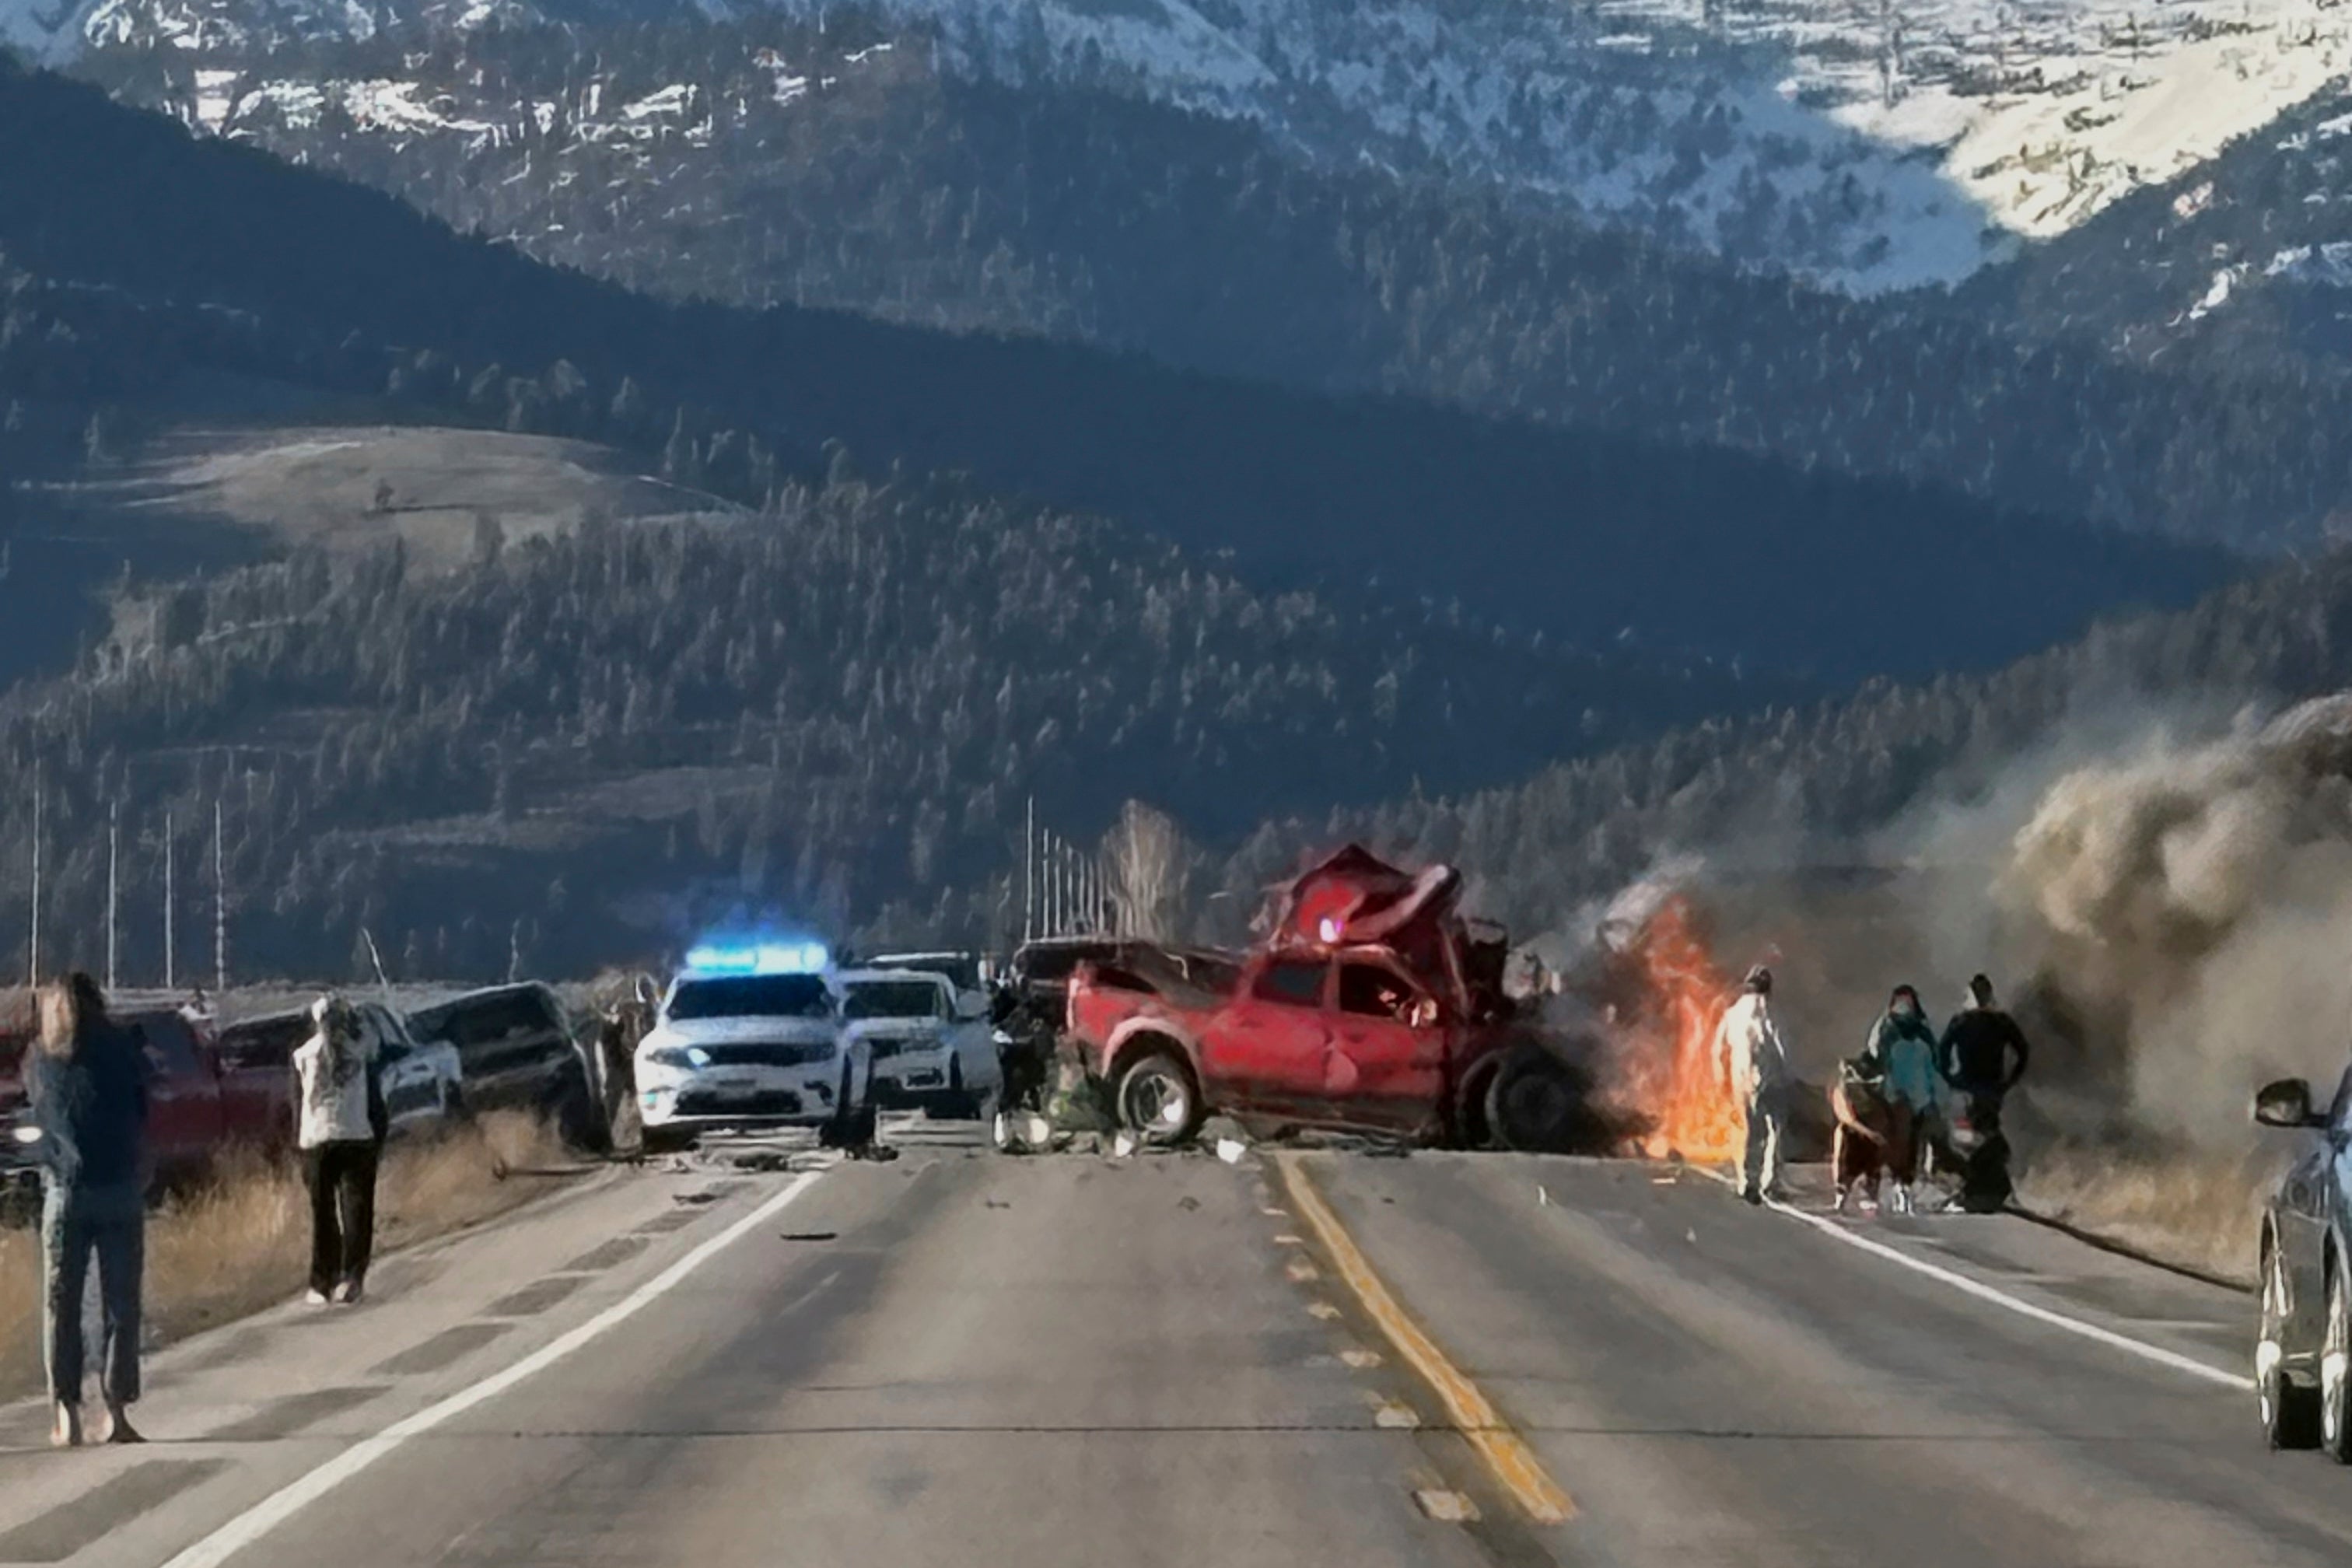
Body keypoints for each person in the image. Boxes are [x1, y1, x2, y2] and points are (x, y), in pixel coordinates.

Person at [25, 972, 149, 1447]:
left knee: (62, 1303)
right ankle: (115, 1409)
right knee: (121, 1303)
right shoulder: (121, 1051)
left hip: (66, 1190)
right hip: (118, 1185)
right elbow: (141, 1110)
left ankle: (66, 1411)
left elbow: (41, 1116)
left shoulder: (40, 1059)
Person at [293, 994, 387, 1307]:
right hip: (357, 1136)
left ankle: (322, 1281)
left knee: (323, 1214)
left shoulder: (303, 1055)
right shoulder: (363, 1051)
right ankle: (352, 1278)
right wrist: (379, 1137)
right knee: (356, 1210)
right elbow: (376, 1101)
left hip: (316, 1141)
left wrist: (299, 1144)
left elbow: (298, 1104)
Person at [1937, 974, 2031, 1211]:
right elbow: (2023, 1052)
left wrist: (1951, 1078)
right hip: (1988, 1089)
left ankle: (1979, 1189)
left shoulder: (1962, 1021)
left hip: (1971, 1088)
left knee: (1975, 1137)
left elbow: (1942, 1054)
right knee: (1981, 1135)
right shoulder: (2000, 1022)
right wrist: (2009, 1081)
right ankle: (1992, 1188)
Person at [1715, 964, 1791, 1205]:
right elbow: (1783, 1046)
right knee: (1775, 1130)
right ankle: (1770, 1182)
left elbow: (1718, 1049)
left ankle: (1748, 1181)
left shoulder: (1732, 1012)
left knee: (1751, 1130)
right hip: (1771, 1078)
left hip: (1741, 1078)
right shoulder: (1770, 1011)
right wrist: (1791, 1075)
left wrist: (1722, 1079)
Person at [1862, 985, 1940, 1215]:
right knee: (1887, 1143)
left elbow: (1932, 1063)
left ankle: (1903, 1186)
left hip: (1918, 1097)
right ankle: (1875, 1187)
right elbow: (1874, 1054)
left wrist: (1932, 1096)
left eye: (1909, 1001)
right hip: (1891, 1095)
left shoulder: (1923, 1031)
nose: (1904, 1006)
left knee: (1911, 1145)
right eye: (1900, 1001)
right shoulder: (1885, 1027)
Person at [1830, 1052, 1891, 1215]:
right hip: (1852, 1134)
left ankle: (1870, 1192)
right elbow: (1847, 1117)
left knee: (1873, 1163)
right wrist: (1870, 1133)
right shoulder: (1844, 1089)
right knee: (1847, 1160)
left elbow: (1882, 1113)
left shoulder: (1877, 1090)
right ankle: (1842, 1193)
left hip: (1870, 1135)